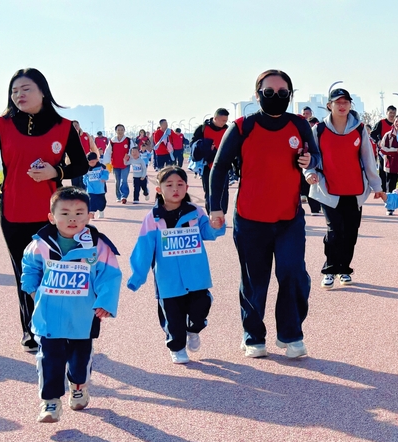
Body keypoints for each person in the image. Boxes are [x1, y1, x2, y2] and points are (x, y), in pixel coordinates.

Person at [0, 68, 89, 353]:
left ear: (42, 91)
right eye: (14, 91)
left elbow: (81, 164)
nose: (19, 95)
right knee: (25, 271)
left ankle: (56, 324)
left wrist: (56, 170)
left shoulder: (63, 127)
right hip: (13, 211)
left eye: (25, 89)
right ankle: (31, 330)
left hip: (52, 215)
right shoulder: (2, 125)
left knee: (53, 270)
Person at [210, 69, 319, 359]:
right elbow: (219, 167)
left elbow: (314, 155)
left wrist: (310, 161)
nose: (276, 97)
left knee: (294, 273)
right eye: (269, 92)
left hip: (289, 218)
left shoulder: (299, 125)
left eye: (282, 93)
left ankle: (291, 334)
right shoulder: (242, 126)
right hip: (250, 219)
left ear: (290, 95)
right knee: (254, 281)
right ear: (258, 94)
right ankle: (253, 336)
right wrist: (215, 206)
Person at [21, 186, 121, 423]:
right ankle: (50, 402)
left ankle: (78, 385)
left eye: (79, 213)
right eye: (64, 213)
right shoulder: (41, 244)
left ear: (89, 216)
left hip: (83, 317)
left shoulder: (98, 246)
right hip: (49, 316)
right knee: (49, 359)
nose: (72, 218)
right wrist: (32, 289)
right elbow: (30, 266)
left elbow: (110, 274)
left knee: (79, 360)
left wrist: (105, 302)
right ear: (51, 217)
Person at [128, 166, 226, 364]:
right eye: (169, 185)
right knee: (173, 317)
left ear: (187, 187)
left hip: (196, 276)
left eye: (180, 184)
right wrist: (137, 276)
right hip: (168, 279)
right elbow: (144, 248)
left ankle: (193, 330)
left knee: (201, 306)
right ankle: (177, 347)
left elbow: (208, 233)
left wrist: (216, 226)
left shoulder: (195, 212)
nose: (175, 189)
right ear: (159, 189)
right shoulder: (152, 219)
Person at [305, 88, 384, 288]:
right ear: (329, 105)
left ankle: (344, 268)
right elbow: (311, 157)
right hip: (328, 189)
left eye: (345, 102)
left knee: (350, 232)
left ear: (350, 105)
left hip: (355, 190)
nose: (342, 106)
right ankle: (330, 269)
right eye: (337, 102)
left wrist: (377, 186)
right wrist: (310, 173)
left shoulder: (359, 130)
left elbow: (368, 159)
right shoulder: (319, 130)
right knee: (334, 230)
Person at [190, 108, 230, 213]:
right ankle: (211, 214)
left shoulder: (228, 130)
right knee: (209, 191)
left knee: (224, 191)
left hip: (223, 165)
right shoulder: (202, 129)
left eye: (226, 121)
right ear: (215, 118)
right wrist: (205, 146)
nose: (224, 123)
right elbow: (193, 145)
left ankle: (222, 214)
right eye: (222, 120)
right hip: (207, 166)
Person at [103, 124, 133, 204]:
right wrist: (106, 163)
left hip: (125, 164)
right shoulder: (112, 141)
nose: (120, 131)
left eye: (122, 130)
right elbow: (108, 152)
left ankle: (124, 196)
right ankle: (118, 196)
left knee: (124, 180)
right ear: (116, 131)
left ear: (124, 130)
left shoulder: (128, 140)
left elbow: (132, 150)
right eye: (118, 130)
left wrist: (129, 156)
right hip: (115, 164)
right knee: (117, 181)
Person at [370, 105, 397, 187]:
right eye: (390, 113)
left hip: (395, 151)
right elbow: (372, 134)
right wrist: (378, 141)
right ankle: (383, 189)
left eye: (394, 113)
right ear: (387, 113)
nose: (392, 115)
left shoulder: (397, 123)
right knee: (383, 171)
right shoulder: (381, 123)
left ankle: (392, 189)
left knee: (393, 171)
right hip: (383, 151)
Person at [83, 153, 110, 218]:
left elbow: (106, 173)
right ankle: (92, 212)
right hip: (90, 189)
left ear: (97, 160)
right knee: (91, 201)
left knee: (101, 202)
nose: (91, 163)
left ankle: (101, 211)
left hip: (100, 189)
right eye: (90, 162)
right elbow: (85, 176)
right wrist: (85, 182)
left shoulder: (101, 167)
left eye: (93, 162)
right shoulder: (86, 168)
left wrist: (104, 177)